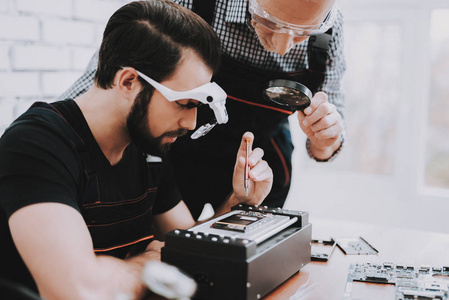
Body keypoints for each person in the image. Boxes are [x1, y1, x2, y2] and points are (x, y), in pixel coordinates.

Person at [0, 1, 273, 299]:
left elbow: (190, 247)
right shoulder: (37, 145)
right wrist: (151, 261)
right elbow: (76, 290)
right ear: (128, 81)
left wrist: (238, 202)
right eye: (184, 103)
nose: (191, 123)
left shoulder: (147, 147)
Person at [60, 0, 346, 220]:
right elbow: (104, 83)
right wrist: (45, 133)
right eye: (268, 21)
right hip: (173, 156)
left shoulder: (330, 30)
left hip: (255, 166)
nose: (282, 48)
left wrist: (325, 139)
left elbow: (327, 141)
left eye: (303, 33)